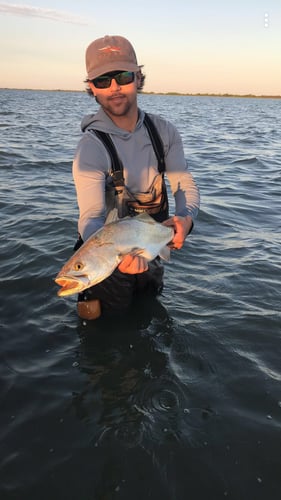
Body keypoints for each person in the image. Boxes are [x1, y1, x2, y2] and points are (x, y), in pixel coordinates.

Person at [72, 35, 200, 320]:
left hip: (152, 249)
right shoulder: (91, 147)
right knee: (105, 335)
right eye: (103, 81)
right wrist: (113, 258)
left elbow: (183, 184)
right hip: (106, 264)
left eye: (123, 76)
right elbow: (91, 217)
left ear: (138, 77)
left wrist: (185, 220)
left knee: (148, 319)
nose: (114, 88)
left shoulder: (165, 132)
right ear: (91, 88)